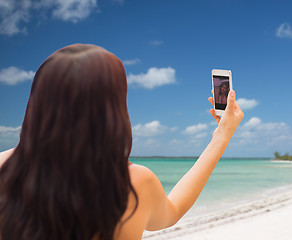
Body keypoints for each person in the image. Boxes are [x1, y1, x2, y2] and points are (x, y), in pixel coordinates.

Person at [0, 44, 244, 240]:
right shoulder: (132, 183)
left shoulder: (4, 168)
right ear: (112, 109)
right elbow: (173, 211)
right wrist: (222, 136)